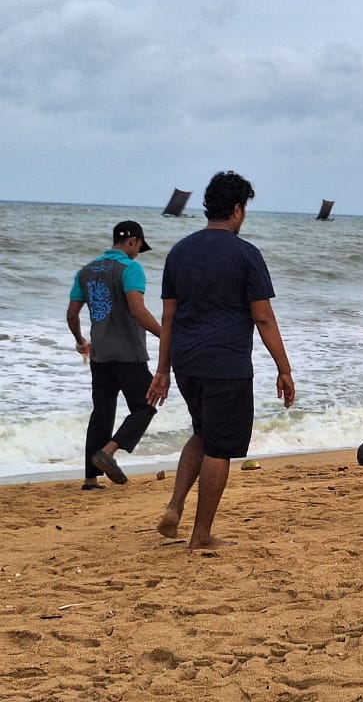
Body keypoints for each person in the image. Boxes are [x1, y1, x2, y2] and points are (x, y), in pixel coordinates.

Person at [145, 171, 295, 550]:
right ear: (238, 210)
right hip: (226, 365)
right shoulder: (246, 254)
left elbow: (168, 317)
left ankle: (175, 506)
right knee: (220, 447)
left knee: (203, 433)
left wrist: (162, 370)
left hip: (186, 363)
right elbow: (263, 317)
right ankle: (201, 535)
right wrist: (284, 368)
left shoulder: (179, 252)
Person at [67, 221, 163, 490]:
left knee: (102, 413)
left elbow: (72, 314)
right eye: (139, 247)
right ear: (132, 241)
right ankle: (108, 451)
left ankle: (90, 478)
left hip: (100, 355)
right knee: (145, 406)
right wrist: (166, 335)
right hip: (128, 353)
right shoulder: (130, 268)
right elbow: (137, 310)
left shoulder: (85, 271)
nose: (138, 253)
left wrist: (81, 341)